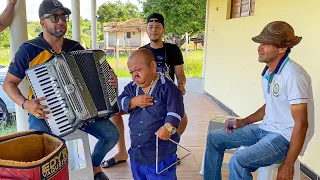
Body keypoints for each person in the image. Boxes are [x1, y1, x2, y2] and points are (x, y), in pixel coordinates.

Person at [2, 1, 119, 179]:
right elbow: (8, 84)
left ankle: (95, 167)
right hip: (44, 112)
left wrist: (111, 80)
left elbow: (97, 74)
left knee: (112, 135)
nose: (61, 21)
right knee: (50, 149)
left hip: (81, 110)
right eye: (54, 17)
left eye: (64, 17)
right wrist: (26, 104)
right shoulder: (29, 50)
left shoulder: (75, 48)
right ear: (42, 22)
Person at [203, 21, 314, 180]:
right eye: (261, 42)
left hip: (284, 137)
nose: (259, 47)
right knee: (215, 139)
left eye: (267, 44)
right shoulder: (269, 71)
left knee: (238, 161)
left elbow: (302, 124)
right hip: (265, 129)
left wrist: (289, 163)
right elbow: (271, 103)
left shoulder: (294, 75)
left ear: (282, 49)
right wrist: (244, 121)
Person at [101, 12, 188, 168]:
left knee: (180, 117)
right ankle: (122, 152)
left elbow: (180, 75)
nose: (154, 29)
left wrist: (180, 86)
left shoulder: (172, 50)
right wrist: (133, 100)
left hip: (165, 96)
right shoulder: (142, 51)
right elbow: (135, 76)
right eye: (150, 27)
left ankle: (167, 149)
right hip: (144, 95)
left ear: (163, 30)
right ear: (147, 30)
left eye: (157, 27)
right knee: (115, 112)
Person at [119, 48, 184, 179]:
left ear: (153, 66)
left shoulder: (168, 88)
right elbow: (120, 101)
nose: (134, 76)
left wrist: (168, 128)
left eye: (138, 70)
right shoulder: (132, 88)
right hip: (137, 152)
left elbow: (176, 113)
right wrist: (133, 101)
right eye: (131, 72)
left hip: (160, 155)